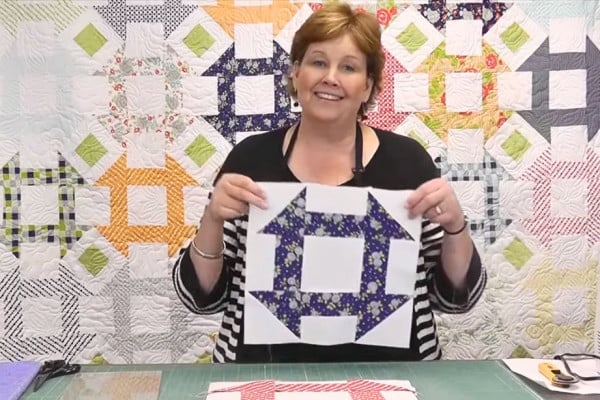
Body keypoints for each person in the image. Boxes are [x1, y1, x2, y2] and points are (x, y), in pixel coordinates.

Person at [173, 2, 486, 363]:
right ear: (296, 73)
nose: (331, 77)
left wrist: (455, 227)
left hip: (396, 377)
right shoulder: (250, 160)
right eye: (318, 62)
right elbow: (201, 299)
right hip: (262, 375)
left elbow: (456, 300)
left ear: (368, 86)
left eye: (349, 67)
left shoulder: (408, 163)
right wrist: (212, 219)